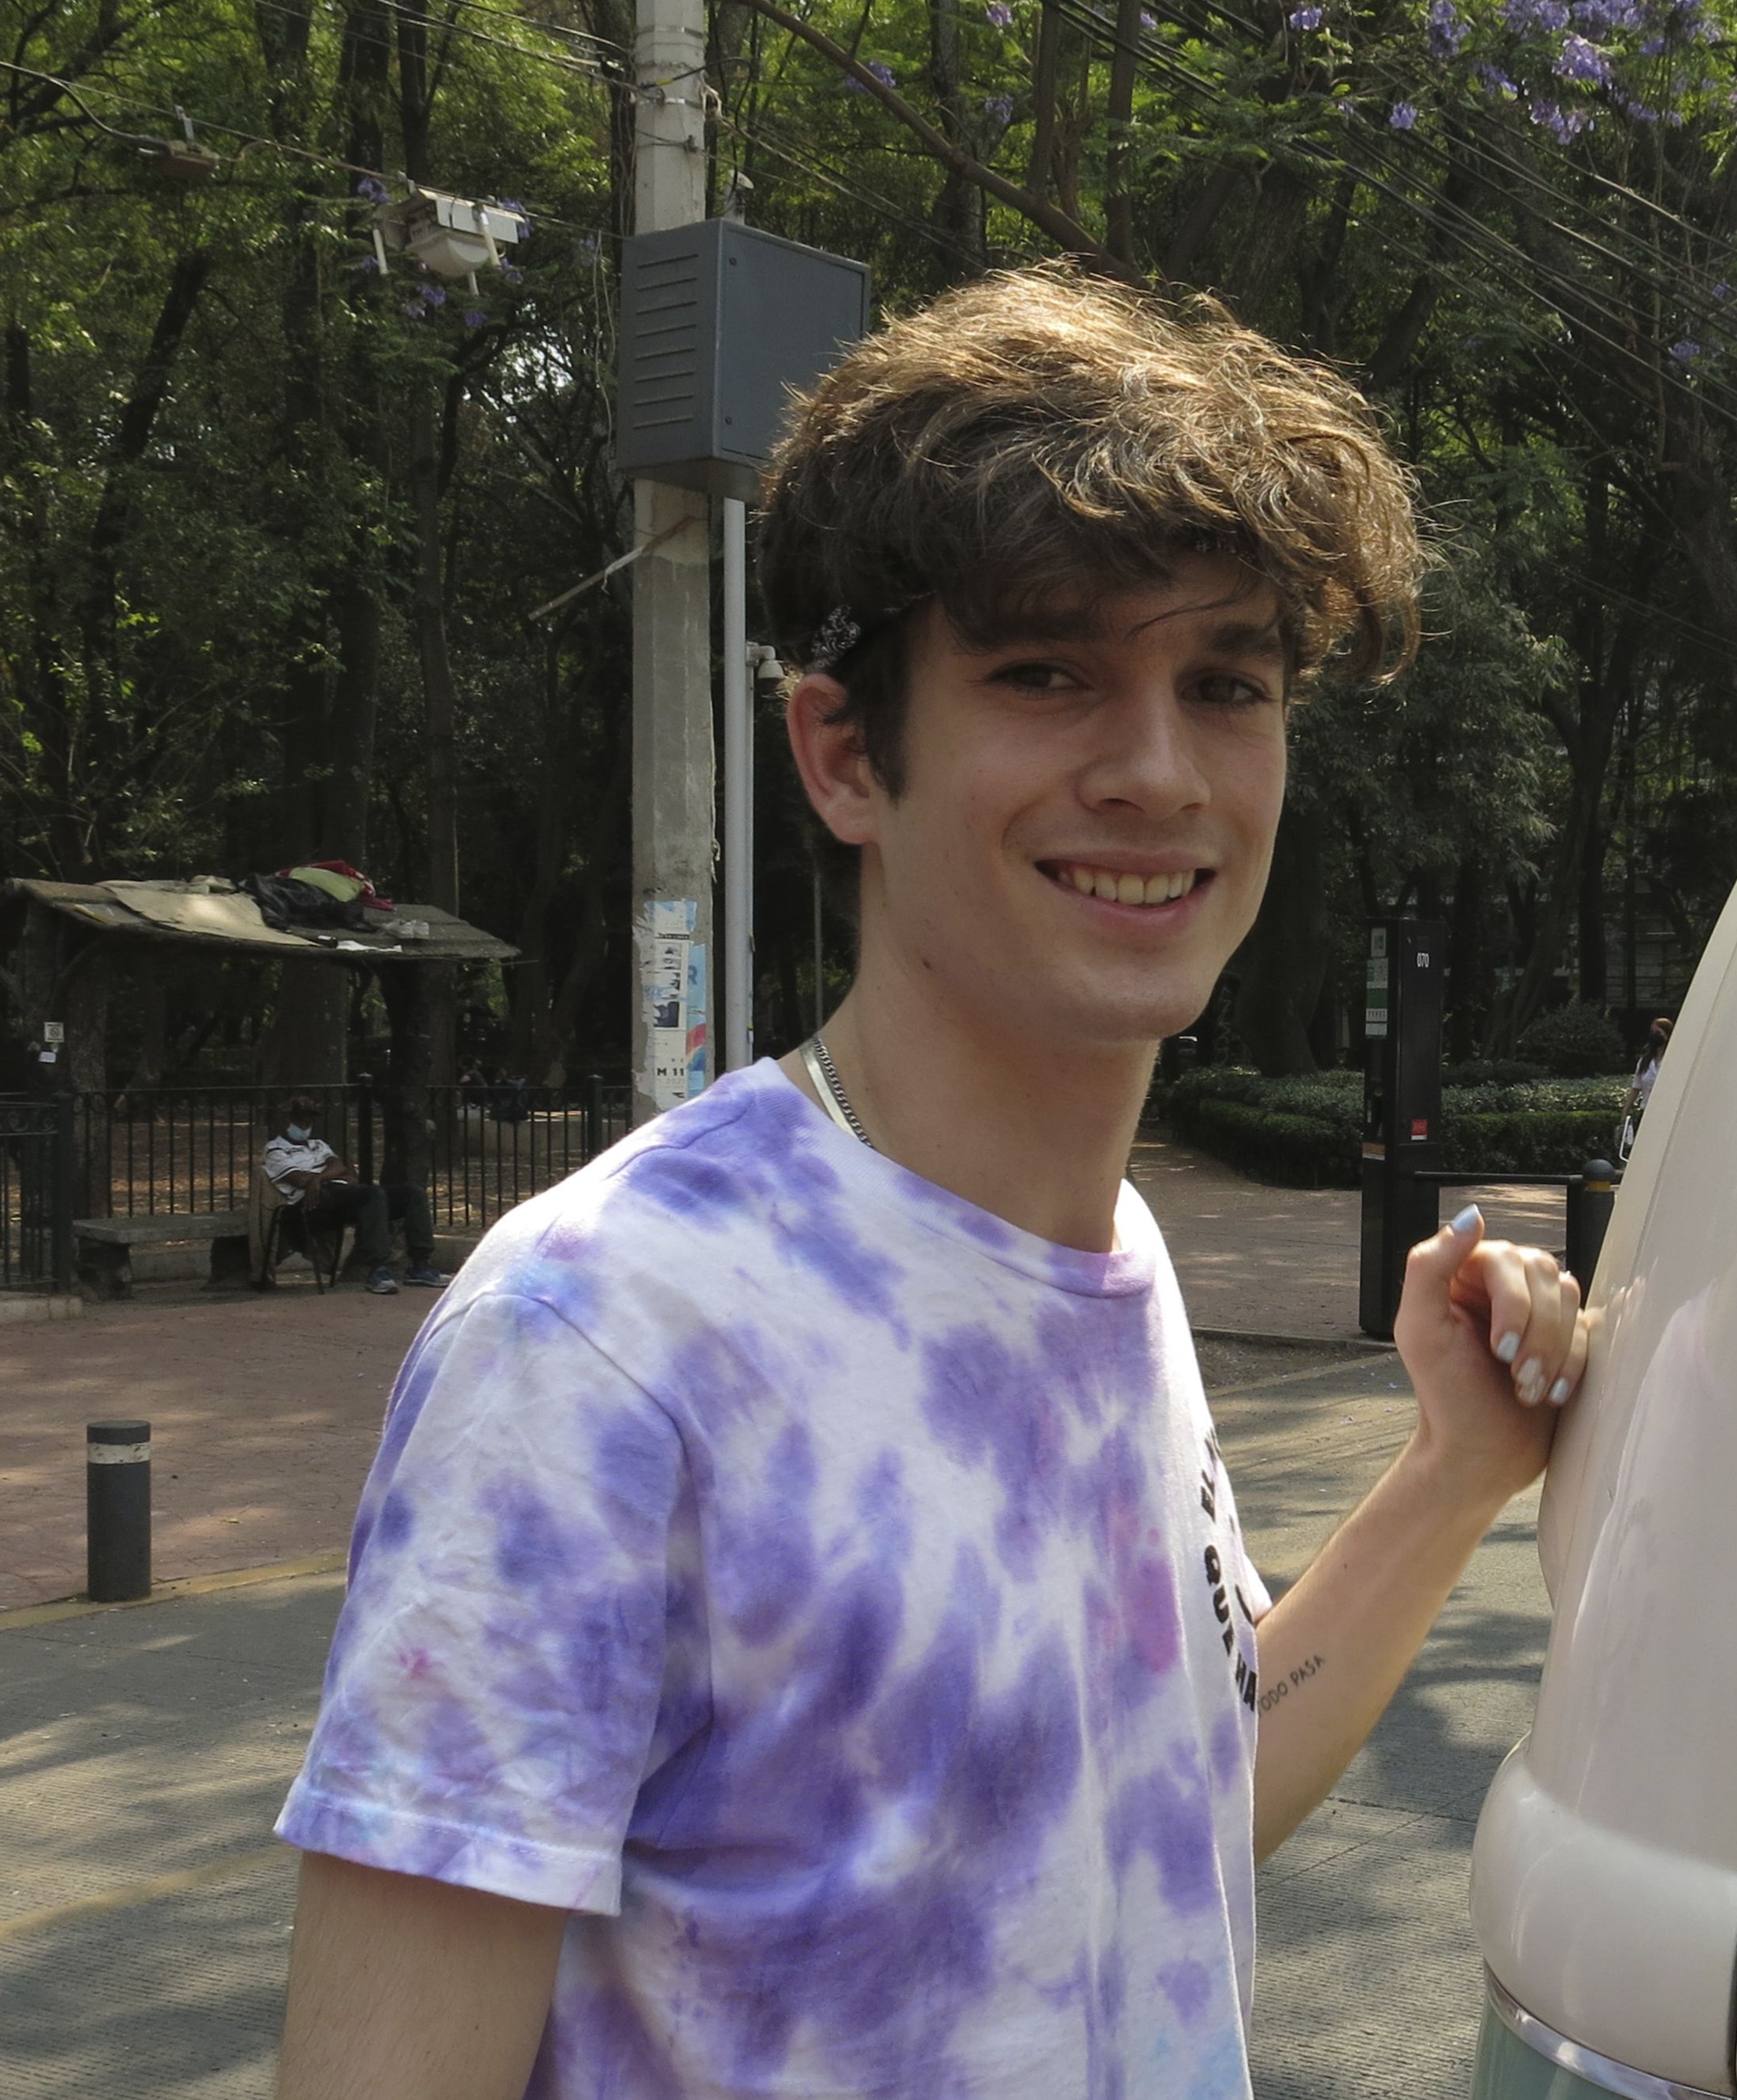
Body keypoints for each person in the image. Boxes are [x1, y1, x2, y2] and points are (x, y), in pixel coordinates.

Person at [266, 266, 1590, 2098]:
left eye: (1226, 684)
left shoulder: (1098, 1250)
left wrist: (1453, 1474)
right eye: (1045, 674)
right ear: (841, 754)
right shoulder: (604, 1338)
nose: (1154, 771)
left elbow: (1156, 1828)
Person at [260, 1097, 446, 1295]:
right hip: (313, 1203)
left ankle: (421, 1265)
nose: (305, 1124)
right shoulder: (275, 1149)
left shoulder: (319, 1144)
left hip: (341, 1194)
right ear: (287, 1120)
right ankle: (377, 1270)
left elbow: (341, 1166)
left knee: (413, 1193)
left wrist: (316, 1179)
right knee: (372, 1194)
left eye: (309, 1119)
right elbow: (298, 1179)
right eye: (300, 1119)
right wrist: (324, 1178)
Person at [1621, 1014, 1672, 1157]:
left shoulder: (1674, 1060)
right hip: (1647, 1112)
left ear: (1667, 1036)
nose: (1654, 1036)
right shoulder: (1644, 1061)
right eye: (1652, 1033)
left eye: (1658, 1033)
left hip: (1667, 1113)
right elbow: (1636, 1088)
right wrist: (1625, 1110)